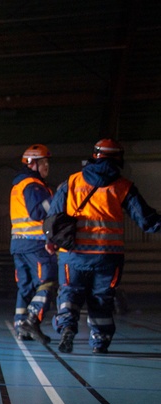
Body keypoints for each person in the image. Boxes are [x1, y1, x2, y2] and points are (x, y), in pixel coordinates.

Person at [46, 139, 161, 353]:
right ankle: (100, 341)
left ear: (95, 156)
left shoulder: (71, 182)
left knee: (69, 292)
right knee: (102, 299)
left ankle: (67, 327)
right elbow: (147, 220)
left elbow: (53, 216)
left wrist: (50, 242)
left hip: (74, 255)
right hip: (109, 256)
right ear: (119, 158)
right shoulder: (123, 186)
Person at [10, 144, 56, 343]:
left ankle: (21, 327)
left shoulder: (18, 185)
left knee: (25, 287)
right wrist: (57, 199)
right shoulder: (33, 185)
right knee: (47, 281)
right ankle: (32, 318)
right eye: (44, 162)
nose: (47, 166)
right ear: (33, 164)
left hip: (18, 244)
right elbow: (37, 212)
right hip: (35, 245)